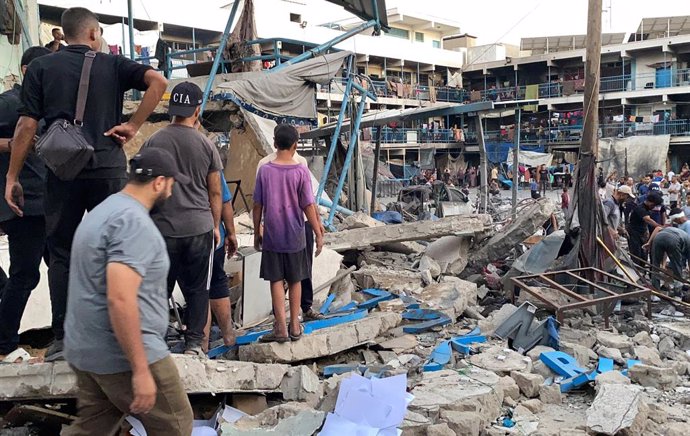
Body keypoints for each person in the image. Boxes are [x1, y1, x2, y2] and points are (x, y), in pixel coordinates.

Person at [5, 7, 167, 361]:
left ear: (66, 33)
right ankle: (120, 333)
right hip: (107, 165)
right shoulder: (112, 64)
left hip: (61, 171)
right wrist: (134, 125)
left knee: (61, 253)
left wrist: (12, 176)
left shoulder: (43, 67)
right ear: (94, 33)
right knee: (117, 249)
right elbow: (159, 82)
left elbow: (26, 127)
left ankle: (63, 338)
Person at [62, 148, 193, 435]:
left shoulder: (104, 211)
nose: (170, 192)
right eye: (171, 184)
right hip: (124, 355)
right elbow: (120, 298)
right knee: (177, 426)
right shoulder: (133, 224)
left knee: (93, 428)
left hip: (86, 349)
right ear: (159, 182)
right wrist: (141, 368)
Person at [144, 82, 222, 356]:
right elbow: (215, 190)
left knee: (158, 289)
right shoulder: (206, 145)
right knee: (199, 289)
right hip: (199, 228)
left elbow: (144, 188)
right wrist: (215, 226)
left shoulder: (154, 141)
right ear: (197, 109)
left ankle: (156, 343)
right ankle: (193, 345)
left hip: (163, 230)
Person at [0, 47, 51, 359]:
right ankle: (5, 342)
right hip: (24, 205)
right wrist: (14, 144)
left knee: (62, 269)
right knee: (25, 274)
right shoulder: (9, 103)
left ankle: (63, 337)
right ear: (27, 70)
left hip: (50, 203)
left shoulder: (47, 104)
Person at [253, 124, 324, 343]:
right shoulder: (300, 170)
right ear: (295, 145)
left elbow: (257, 205)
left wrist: (257, 231)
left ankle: (280, 328)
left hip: (273, 235)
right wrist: (318, 232)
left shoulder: (265, 169)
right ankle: (295, 326)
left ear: (274, 143)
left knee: (275, 280)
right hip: (296, 234)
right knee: (295, 280)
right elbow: (308, 205)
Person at [204, 169, 238, 352]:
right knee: (217, 282)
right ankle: (228, 337)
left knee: (198, 291)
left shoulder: (164, 154)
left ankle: (201, 346)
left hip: (180, 236)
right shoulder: (207, 156)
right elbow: (222, 198)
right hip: (212, 236)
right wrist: (231, 233)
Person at [643, 226, 690, 293]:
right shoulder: (688, 242)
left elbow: (658, 228)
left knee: (655, 265)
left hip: (658, 237)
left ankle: (656, 290)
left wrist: (649, 243)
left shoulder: (673, 229)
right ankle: (677, 292)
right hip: (674, 240)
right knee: (677, 266)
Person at [627, 192, 664, 266]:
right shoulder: (640, 208)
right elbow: (647, 219)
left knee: (644, 255)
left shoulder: (647, 209)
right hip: (634, 233)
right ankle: (637, 273)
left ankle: (642, 271)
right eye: (653, 205)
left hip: (642, 233)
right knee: (636, 254)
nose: (654, 207)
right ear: (650, 202)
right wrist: (659, 226)